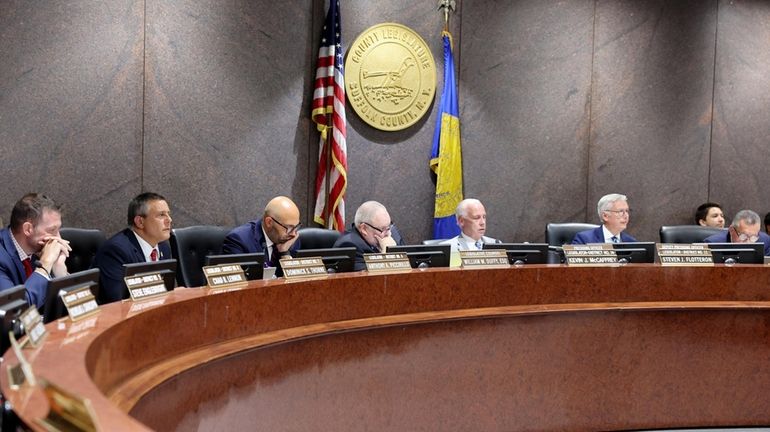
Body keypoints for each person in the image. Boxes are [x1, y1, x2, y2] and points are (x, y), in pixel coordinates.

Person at [93, 192, 173, 304]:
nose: (169, 220)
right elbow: (118, 301)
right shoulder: (116, 250)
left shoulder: (163, 247)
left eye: (168, 214)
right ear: (140, 222)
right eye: (161, 215)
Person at [0, 193, 70, 308]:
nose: (58, 238)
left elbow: (75, 308)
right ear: (28, 229)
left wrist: (59, 272)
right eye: (52, 230)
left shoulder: (38, 249)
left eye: (58, 230)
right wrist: (45, 265)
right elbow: (16, 309)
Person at [222, 196, 302, 277]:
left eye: (296, 227)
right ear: (269, 222)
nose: (294, 234)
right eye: (289, 227)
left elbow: (296, 284)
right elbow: (239, 284)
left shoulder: (291, 240)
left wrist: (285, 253)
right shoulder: (239, 241)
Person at [332, 201, 405, 271]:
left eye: (389, 227)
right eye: (382, 229)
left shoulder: (393, 235)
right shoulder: (349, 245)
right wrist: (387, 255)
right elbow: (368, 280)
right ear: (364, 229)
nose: (388, 234)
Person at [573, 193, 637, 244]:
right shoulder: (584, 239)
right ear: (605, 216)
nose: (626, 216)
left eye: (627, 211)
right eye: (621, 211)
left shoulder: (631, 242)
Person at [704, 209, 770, 256]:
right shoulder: (712, 244)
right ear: (731, 230)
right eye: (744, 236)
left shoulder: (766, 241)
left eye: (754, 237)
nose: (748, 242)